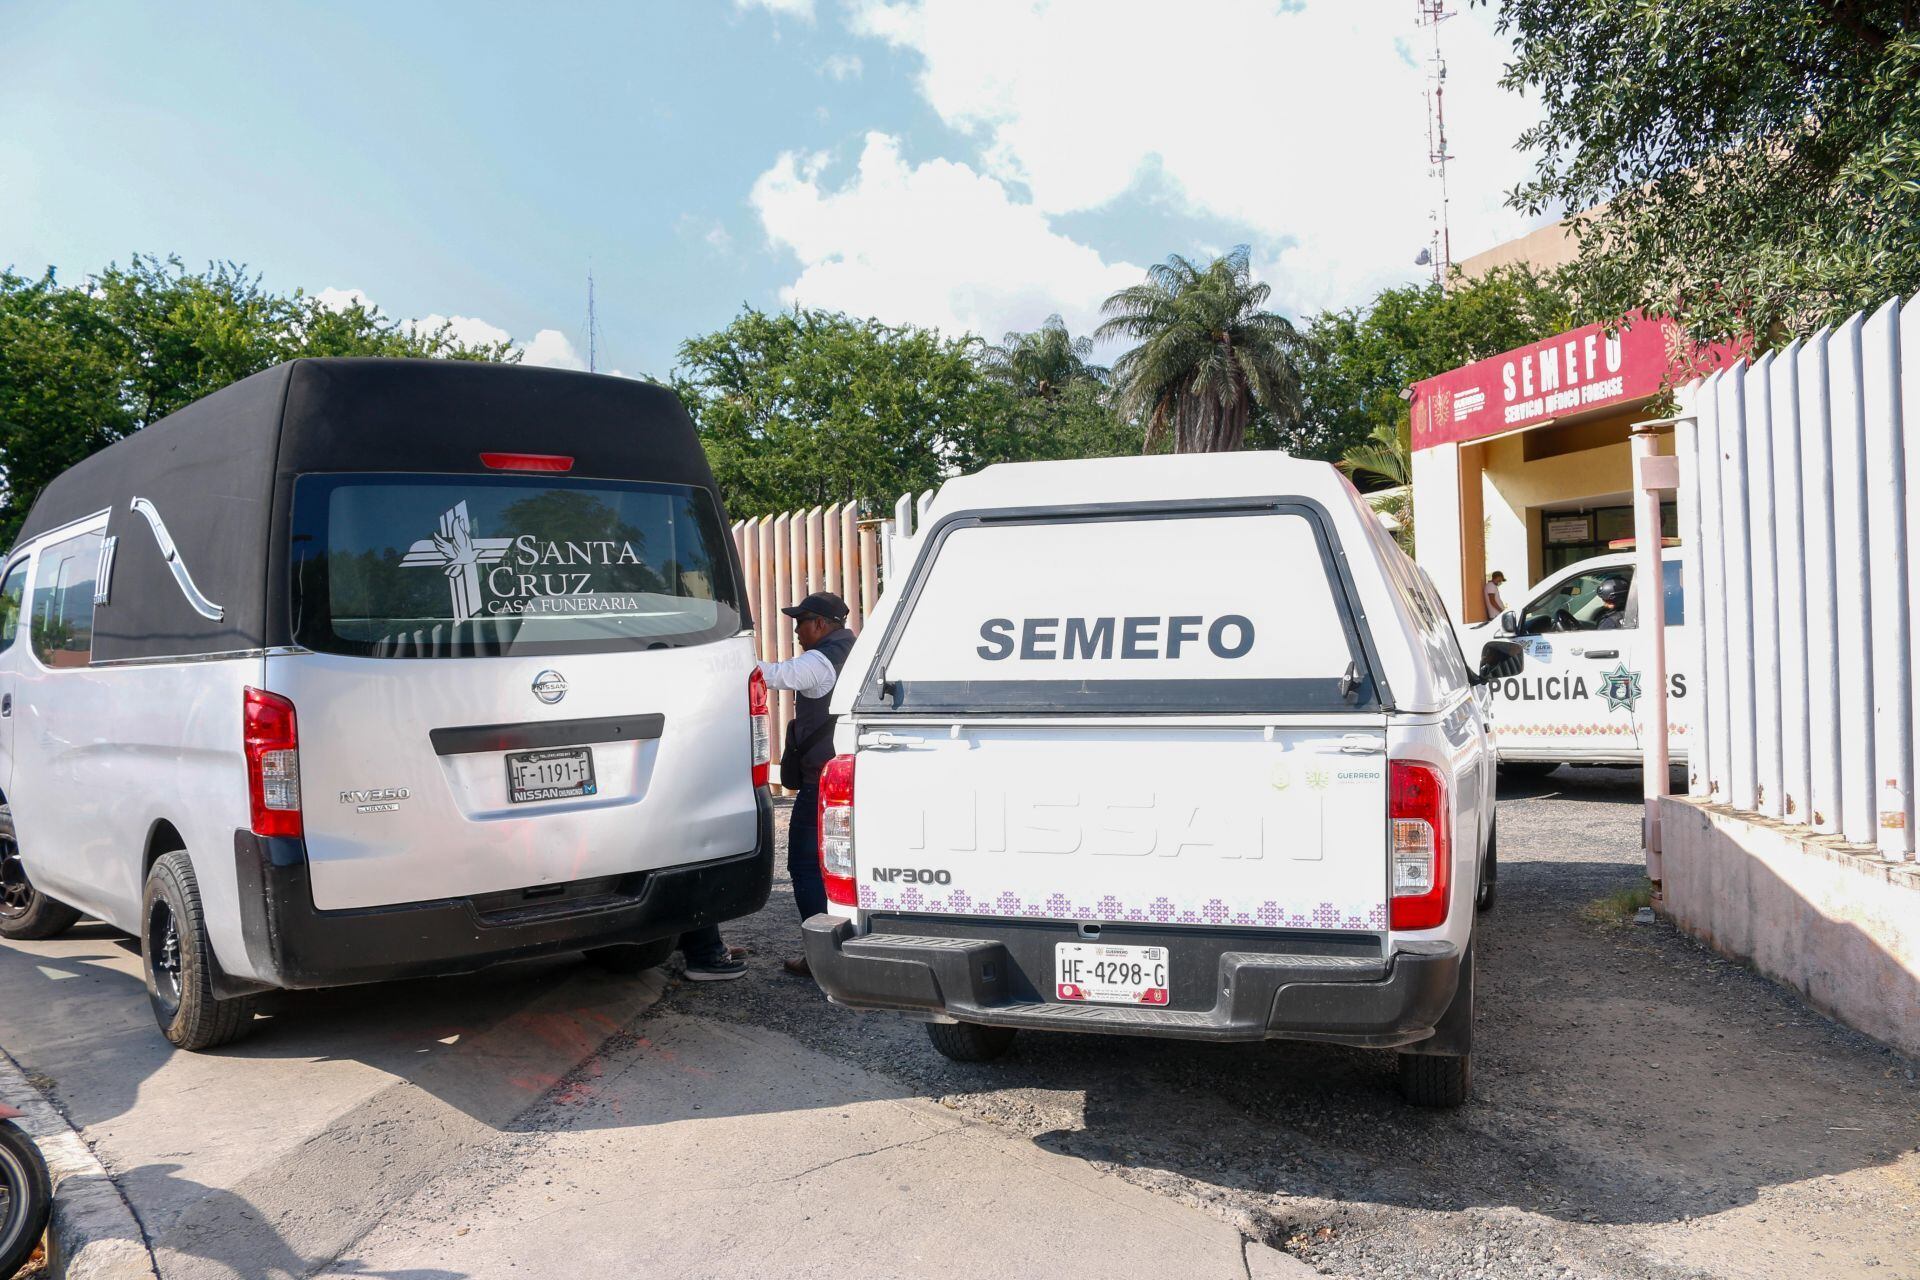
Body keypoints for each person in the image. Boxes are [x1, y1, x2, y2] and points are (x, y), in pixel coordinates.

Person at [758, 591, 858, 978]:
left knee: (805, 865)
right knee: (842, 867)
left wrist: (726, 660)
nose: (797, 630)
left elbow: (776, 675)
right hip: (848, 775)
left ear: (820, 623)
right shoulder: (855, 648)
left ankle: (823, 956)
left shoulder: (820, 659)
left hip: (822, 781)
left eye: (801, 622)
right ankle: (847, 947)